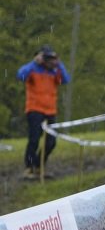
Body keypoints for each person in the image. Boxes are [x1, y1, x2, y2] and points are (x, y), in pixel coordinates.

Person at [16, 45, 71, 179]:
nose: (49, 61)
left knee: (51, 141)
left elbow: (65, 79)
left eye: (51, 58)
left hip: (50, 110)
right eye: (47, 58)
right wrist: (34, 62)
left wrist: (59, 64)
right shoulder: (32, 69)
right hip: (34, 109)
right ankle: (29, 167)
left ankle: (39, 165)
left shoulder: (54, 71)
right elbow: (20, 75)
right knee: (34, 139)